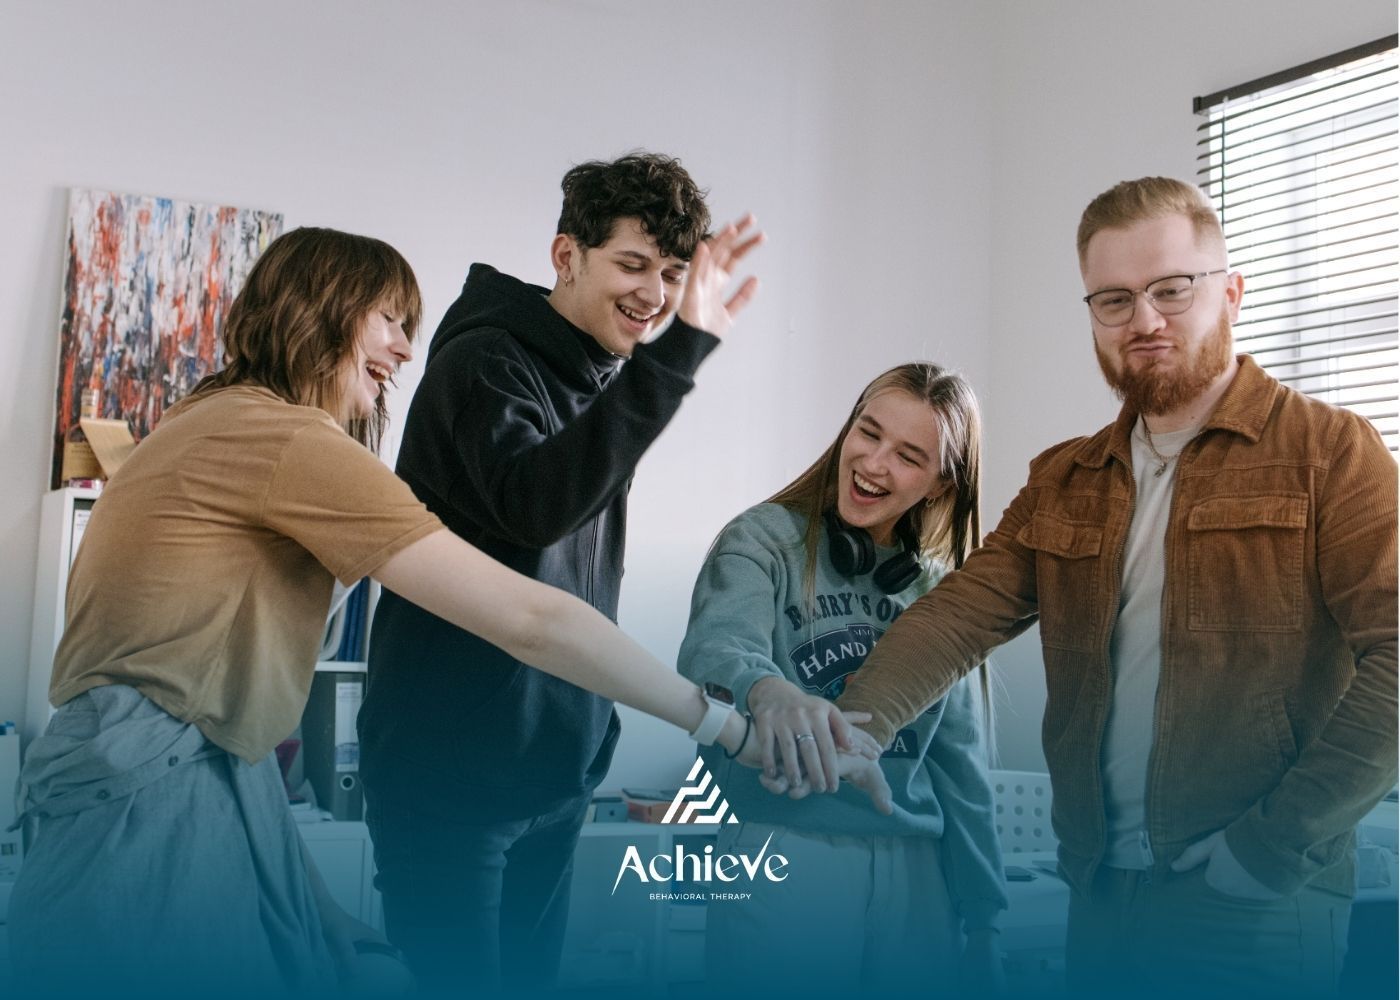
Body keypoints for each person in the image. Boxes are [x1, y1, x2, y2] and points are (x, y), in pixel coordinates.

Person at [7, 226, 875, 997]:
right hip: (159, 777)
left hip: (186, 767)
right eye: (387, 318)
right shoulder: (285, 440)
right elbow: (533, 621)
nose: (402, 347)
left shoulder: (211, 419)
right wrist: (723, 726)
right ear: (318, 307)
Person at [833, 177, 1398, 997]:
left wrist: (1268, 851)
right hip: (1097, 891)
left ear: (1231, 293)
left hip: (1254, 904)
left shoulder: (1332, 452)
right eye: (1115, 299)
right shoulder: (1065, 477)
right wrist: (855, 729)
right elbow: (957, 616)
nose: (1145, 320)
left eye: (1172, 289)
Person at [356, 152, 793, 993]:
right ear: (567, 255)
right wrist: (682, 352)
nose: (656, 295)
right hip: (449, 782)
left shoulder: (601, 376)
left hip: (555, 777)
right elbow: (537, 508)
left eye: (672, 275)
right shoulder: (485, 363)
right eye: (633, 264)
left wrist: (589, 742)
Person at [678, 363, 1007, 994]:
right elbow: (717, 646)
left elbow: (961, 769)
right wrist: (768, 691)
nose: (874, 463)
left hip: (918, 868)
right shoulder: (763, 540)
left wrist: (986, 919)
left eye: (908, 456)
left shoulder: (939, 591)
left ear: (940, 484)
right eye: (868, 432)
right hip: (784, 847)